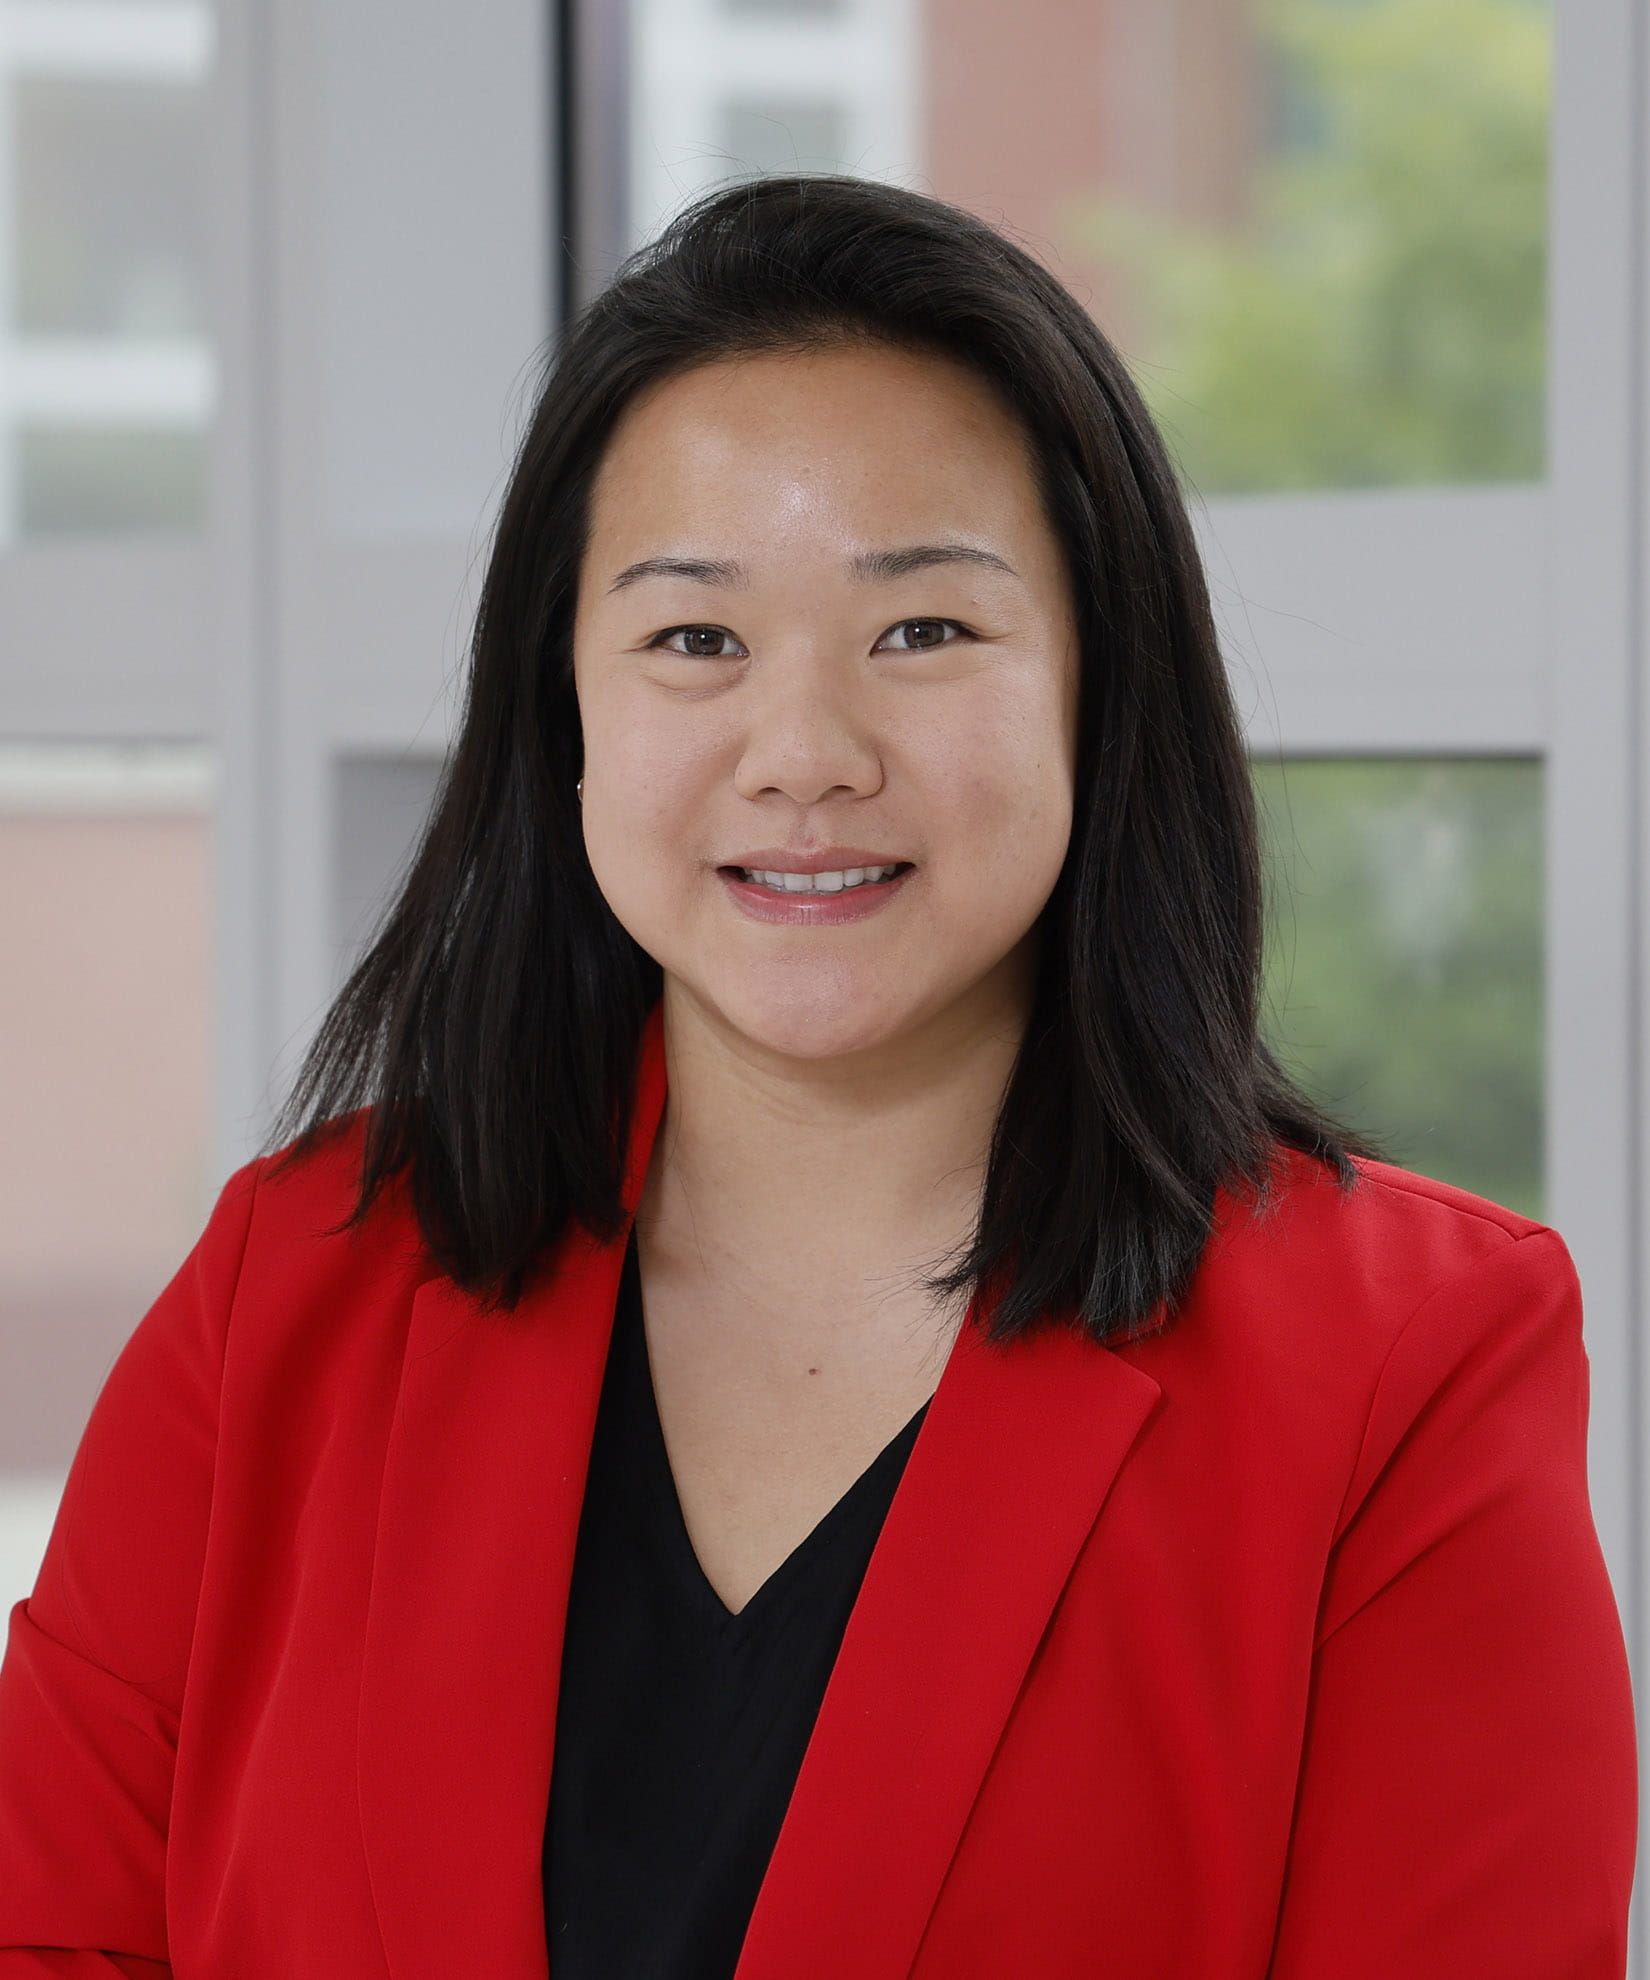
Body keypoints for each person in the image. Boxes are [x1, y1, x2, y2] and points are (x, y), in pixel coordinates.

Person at [0, 171, 1636, 1979]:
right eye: (692, 638)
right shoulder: (289, 1291)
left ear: (1101, 687)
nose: (801, 754)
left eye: (921, 632)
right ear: (564, 717)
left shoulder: (1405, 1366)